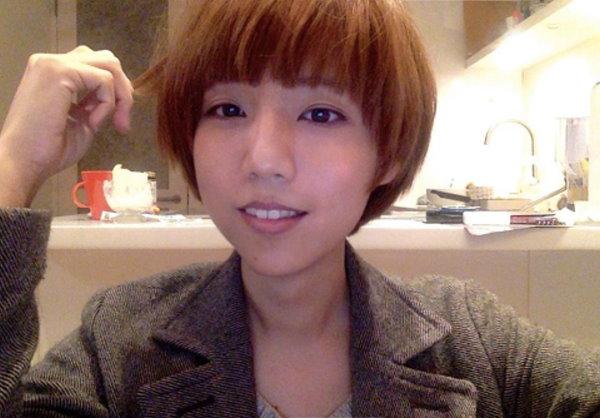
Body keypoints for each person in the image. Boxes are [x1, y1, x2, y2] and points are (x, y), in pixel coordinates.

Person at [0, 0, 599, 417]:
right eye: (228, 109)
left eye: (321, 114)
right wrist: (11, 168)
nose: (264, 160)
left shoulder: (475, 342)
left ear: (388, 155)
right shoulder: (117, 343)